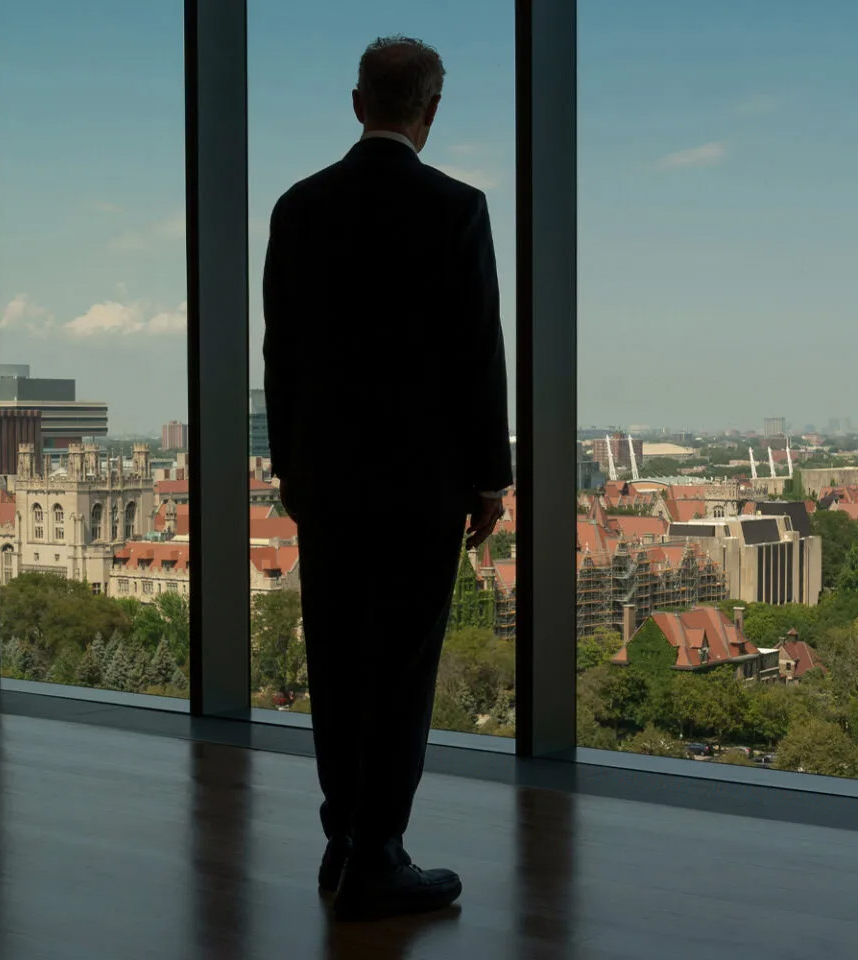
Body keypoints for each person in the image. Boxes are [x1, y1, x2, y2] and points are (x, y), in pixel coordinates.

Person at [260, 36, 510, 922]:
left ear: (356, 102)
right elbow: (478, 354)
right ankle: (380, 853)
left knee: (335, 662)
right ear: (429, 111)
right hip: (420, 485)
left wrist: (289, 466)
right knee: (402, 670)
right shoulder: (457, 208)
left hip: (326, 482)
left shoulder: (299, 207)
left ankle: (341, 840)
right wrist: (489, 480)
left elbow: (280, 357)